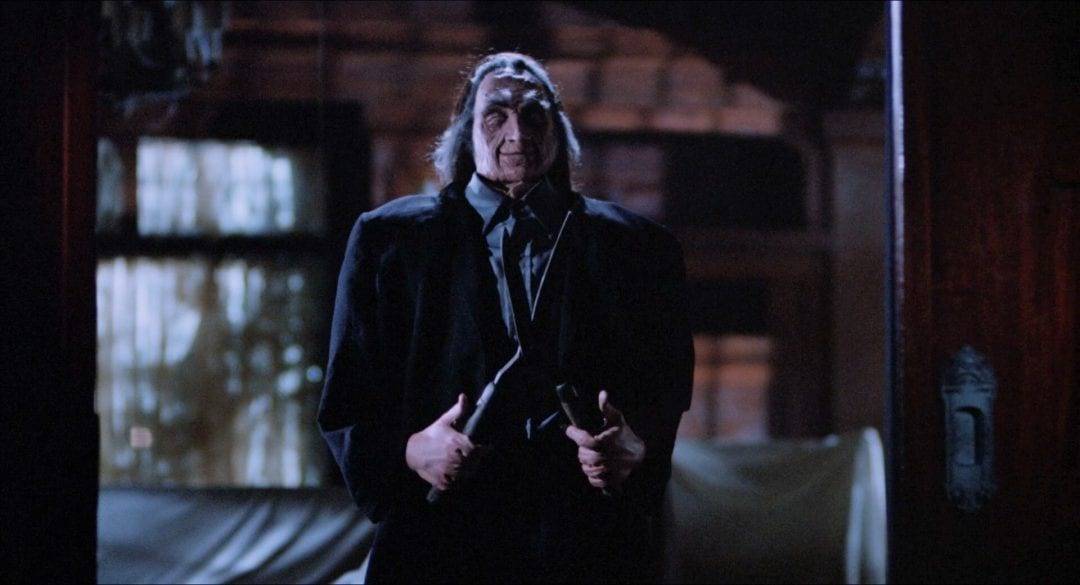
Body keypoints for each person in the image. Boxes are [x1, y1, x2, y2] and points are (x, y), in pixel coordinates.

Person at [318, 52, 692, 583]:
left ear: (558, 129)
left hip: (588, 548)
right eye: (496, 114)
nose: (518, 132)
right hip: (439, 546)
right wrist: (410, 451)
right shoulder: (390, 242)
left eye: (534, 114)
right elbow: (347, 401)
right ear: (466, 132)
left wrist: (635, 447)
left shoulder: (638, 249)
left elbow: (665, 389)